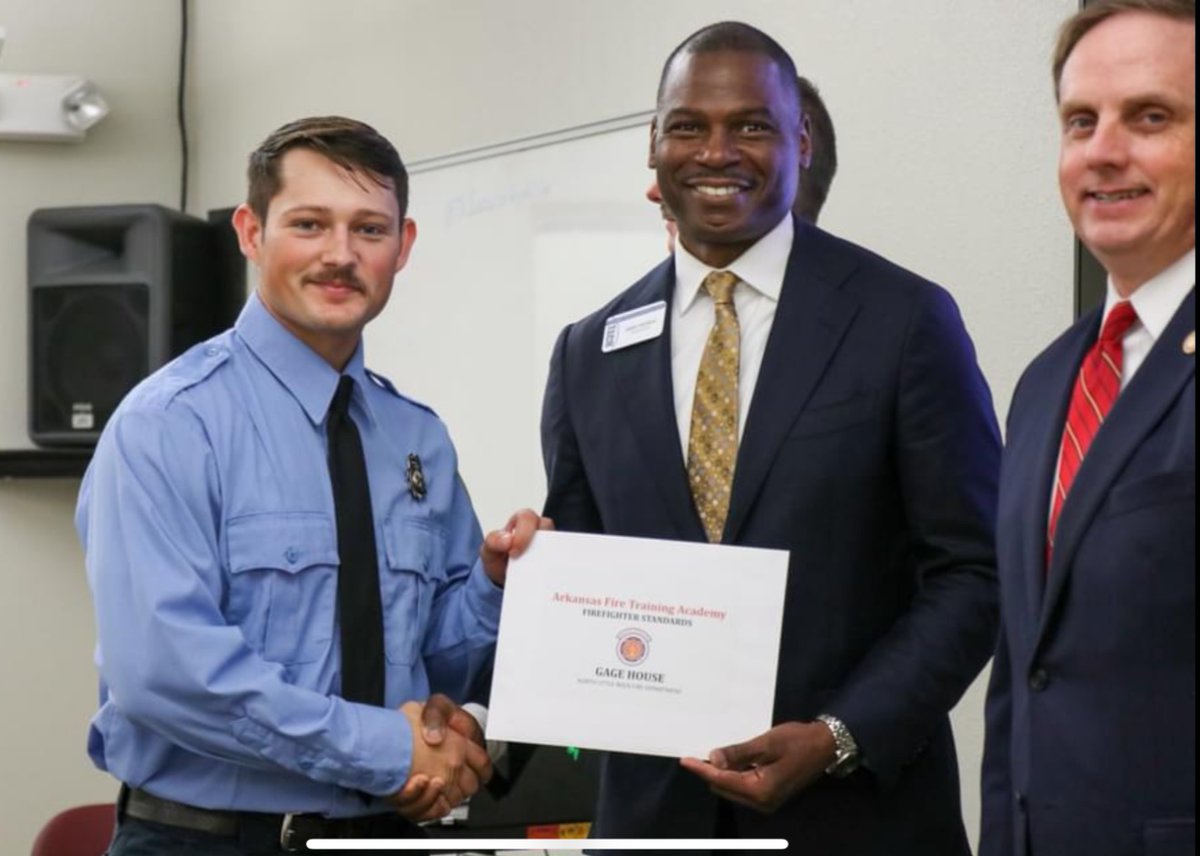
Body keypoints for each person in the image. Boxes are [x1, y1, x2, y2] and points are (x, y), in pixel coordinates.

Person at [542, 21, 1001, 854]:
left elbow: (975, 571)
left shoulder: (902, 321)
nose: (716, 151)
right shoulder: (588, 350)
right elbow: (587, 568)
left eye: (751, 125)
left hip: (860, 819)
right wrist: (531, 570)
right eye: (688, 126)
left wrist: (839, 734)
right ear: (653, 144)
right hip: (655, 825)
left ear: (801, 138)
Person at [78, 115, 546, 855]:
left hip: (389, 836)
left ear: (404, 246)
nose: (340, 255)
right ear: (251, 232)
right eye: (309, 223)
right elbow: (167, 674)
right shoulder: (169, 425)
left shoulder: (416, 438)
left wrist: (493, 584)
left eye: (369, 229)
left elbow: (432, 665)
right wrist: (387, 751)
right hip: (208, 842)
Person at [980, 2, 1195, 855]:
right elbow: (1021, 676)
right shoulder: (1044, 384)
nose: (1104, 151)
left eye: (1151, 116)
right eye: (1081, 121)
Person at [646, 71, 839, 253]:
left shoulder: (865, 285)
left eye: (751, 129)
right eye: (686, 128)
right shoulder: (652, 287)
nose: (653, 193)